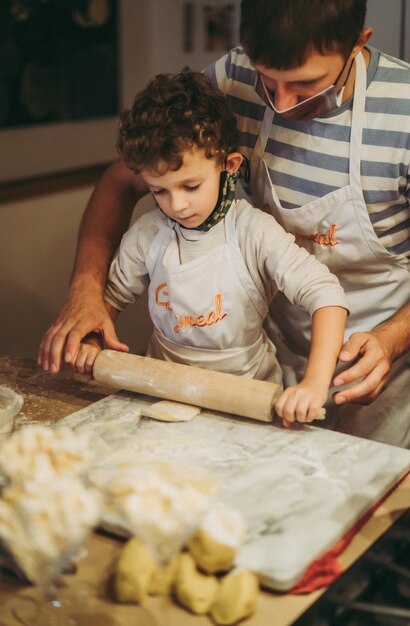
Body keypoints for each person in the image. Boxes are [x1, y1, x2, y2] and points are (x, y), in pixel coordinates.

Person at [38, 0, 410, 449]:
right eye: (265, 79)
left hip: (373, 359)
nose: (279, 104)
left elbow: (323, 292)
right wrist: (85, 291)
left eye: (304, 85)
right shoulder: (232, 76)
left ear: (358, 44)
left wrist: (392, 338)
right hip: (260, 359)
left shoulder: (408, 114)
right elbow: (125, 179)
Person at [72, 69, 348, 424]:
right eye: (159, 191)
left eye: (190, 186)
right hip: (162, 392)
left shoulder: (253, 232)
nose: (176, 205)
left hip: (249, 401)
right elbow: (109, 299)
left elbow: (326, 295)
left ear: (228, 165)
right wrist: (93, 344)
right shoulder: (149, 234)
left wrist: (313, 383)